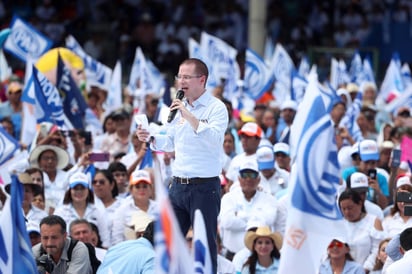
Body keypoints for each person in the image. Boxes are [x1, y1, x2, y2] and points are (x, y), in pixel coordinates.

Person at [136, 57, 228, 273]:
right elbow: (169, 140)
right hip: (178, 186)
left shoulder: (216, 108)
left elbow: (214, 138)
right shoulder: (178, 107)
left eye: (186, 77)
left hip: (204, 188)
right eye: (179, 76)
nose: (181, 81)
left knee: (204, 245)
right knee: (167, 241)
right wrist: (149, 136)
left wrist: (188, 114)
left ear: (202, 80)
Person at [219, 161, 280, 260]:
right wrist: (255, 219)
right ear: (239, 178)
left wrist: (239, 215)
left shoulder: (269, 199)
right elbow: (227, 222)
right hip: (232, 254)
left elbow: (268, 220)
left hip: (261, 256)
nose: (248, 179)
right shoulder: (228, 198)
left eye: (252, 175)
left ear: (259, 179)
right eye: (244, 175)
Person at [53, 172, 110, 248]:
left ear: (88, 190)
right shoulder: (60, 212)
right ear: (70, 190)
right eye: (75, 188)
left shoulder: (98, 210)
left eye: (82, 188)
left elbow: (105, 239)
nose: (79, 192)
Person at [338, 189, 385, 272]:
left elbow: (376, 250)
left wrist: (363, 270)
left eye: (350, 208)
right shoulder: (339, 224)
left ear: (360, 204)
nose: (347, 212)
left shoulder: (374, 221)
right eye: (343, 209)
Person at [111, 169, 158, 245]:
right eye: (137, 186)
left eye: (145, 186)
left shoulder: (160, 208)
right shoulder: (122, 210)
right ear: (131, 189)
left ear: (151, 189)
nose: (141, 190)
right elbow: (117, 239)